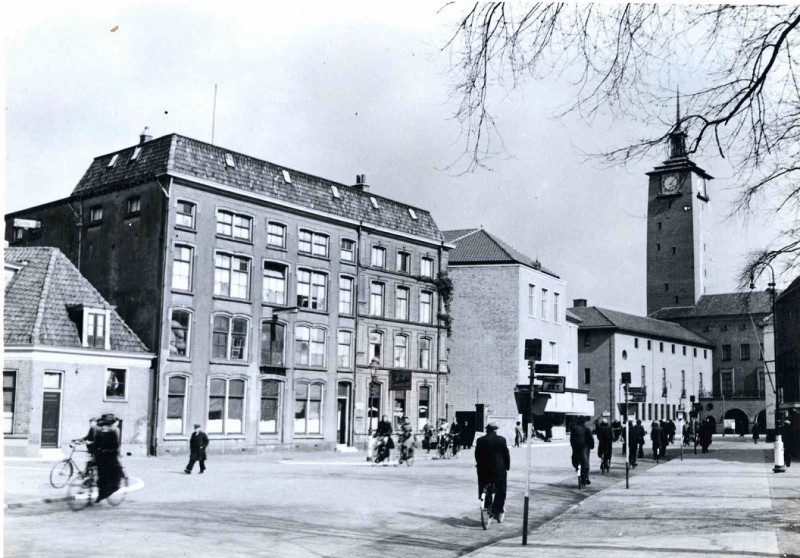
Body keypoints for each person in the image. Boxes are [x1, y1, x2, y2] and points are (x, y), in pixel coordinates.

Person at [475, 422, 510, 523]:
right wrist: (507, 467)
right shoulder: (501, 440)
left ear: (487, 430)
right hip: (498, 469)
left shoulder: (480, 440)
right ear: (495, 430)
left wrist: (479, 465)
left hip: (484, 469)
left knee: (484, 486)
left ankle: (487, 505)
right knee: (501, 489)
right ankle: (497, 509)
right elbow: (506, 455)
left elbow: (477, 455)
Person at [93, 414, 123, 503]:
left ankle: (101, 495)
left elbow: (95, 444)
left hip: (100, 457)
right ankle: (108, 491)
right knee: (115, 473)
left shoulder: (98, 430)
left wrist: (95, 453)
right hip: (110, 456)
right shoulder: (114, 430)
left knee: (101, 476)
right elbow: (116, 445)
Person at [570, 418, 594, 485]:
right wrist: (592, 446)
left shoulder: (574, 429)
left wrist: (573, 446)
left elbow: (571, 439)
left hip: (576, 448)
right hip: (585, 448)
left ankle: (578, 469)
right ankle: (586, 478)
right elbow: (591, 439)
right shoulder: (587, 429)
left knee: (576, 459)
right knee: (586, 462)